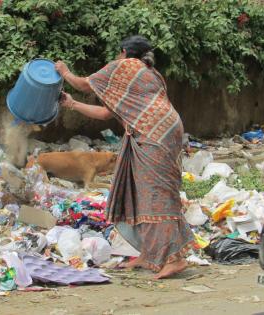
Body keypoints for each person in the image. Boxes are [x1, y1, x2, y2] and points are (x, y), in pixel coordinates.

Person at [55, 35, 194, 279]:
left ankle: (175, 259)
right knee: (140, 193)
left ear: (123, 52)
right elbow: (106, 113)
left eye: (119, 54)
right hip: (163, 130)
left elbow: (83, 84)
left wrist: (64, 71)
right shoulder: (151, 73)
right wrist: (72, 104)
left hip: (154, 135)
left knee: (155, 194)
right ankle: (149, 254)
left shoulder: (125, 66)